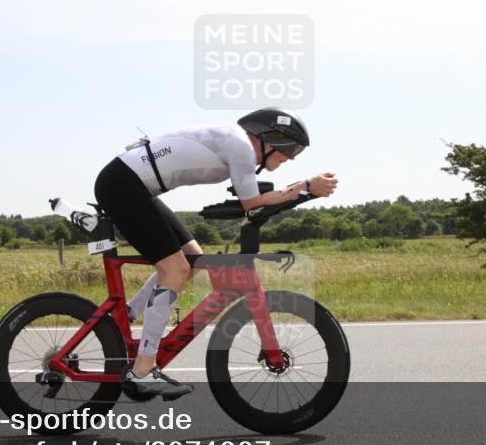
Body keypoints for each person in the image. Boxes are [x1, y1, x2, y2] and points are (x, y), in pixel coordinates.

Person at [93, 108, 338, 399]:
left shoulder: (237, 144)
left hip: (133, 185)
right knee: (176, 270)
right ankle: (143, 369)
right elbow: (253, 204)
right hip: (124, 185)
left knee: (193, 261)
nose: (290, 158)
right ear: (270, 140)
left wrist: (302, 191)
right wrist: (305, 187)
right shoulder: (242, 148)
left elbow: (253, 203)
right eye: (289, 151)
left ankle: (127, 315)